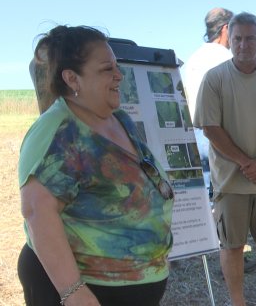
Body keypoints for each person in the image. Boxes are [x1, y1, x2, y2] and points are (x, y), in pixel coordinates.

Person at [17, 25, 174, 306]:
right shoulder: (58, 131)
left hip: (133, 283)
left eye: (116, 66)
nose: (119, 75)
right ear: (72, 79)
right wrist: (73, 292)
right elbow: (37, 212)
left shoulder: (119, 118)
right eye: (106, 69)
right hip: (87, 291)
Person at [193, 12, 256, 306]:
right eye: (238, 38)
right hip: (230, 180)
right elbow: (210, 128)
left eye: (250, 38)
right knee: (232, 245)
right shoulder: (214, 78)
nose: (244, 45)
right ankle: (237, 302)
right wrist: (246, 163)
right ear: (229, 39)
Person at [184, 7, 233, 198]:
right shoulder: (226, 58)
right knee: (225, 193)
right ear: (226, 28)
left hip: (196, 133)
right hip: (219, 134)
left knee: (204, 196)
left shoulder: (194, 58)